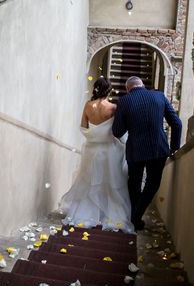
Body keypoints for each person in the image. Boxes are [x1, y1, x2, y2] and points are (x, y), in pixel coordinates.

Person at [59, 77, 134, 233]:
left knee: (90, 182)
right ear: (109, 90)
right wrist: (121, 141)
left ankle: (86, 213)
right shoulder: (113, 107)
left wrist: (95, 137)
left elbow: (83, 128)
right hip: (110, 151)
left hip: (92, 150)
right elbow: (118, 130)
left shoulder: (88, 106)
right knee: (111, 183)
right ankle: (110, 215)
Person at [112, 76, 181, 231]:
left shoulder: (124, 101)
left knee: (134, 184)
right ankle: (136, 218)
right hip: (159, 149)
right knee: (152, 184)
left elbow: (117, 132)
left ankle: (134, 218)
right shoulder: (159, 96)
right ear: (142, 85)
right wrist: (174, 147)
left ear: (128, 88)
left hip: (135, 150)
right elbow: (176, 123)